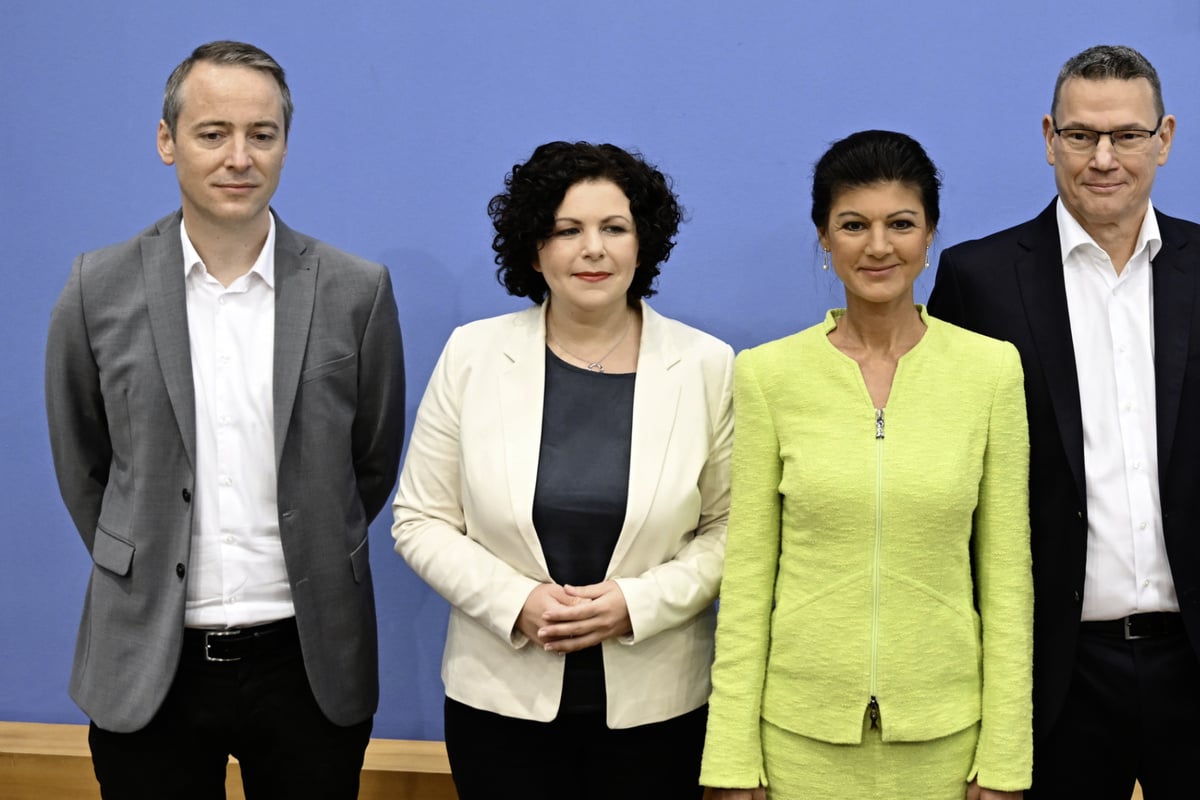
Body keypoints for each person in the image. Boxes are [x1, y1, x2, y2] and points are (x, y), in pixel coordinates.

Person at [44, 40, 404, 799]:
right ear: (167, 141)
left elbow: (370, 463)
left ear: (284, 143)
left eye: (262, 134)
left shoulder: (355, 291)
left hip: (308, 662)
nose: (240, 157)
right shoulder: (96, 287)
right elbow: (84, 468)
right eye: (213, 134)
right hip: (150, 659)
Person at [392, 141, 733, 800]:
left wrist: (634, 605)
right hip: (498, 709)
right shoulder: (473, 356)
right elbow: (420, 519)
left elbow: (731, 529)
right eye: (566, 230)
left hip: (659, 714)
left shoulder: (707, 366)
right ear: (533, 249)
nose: (593, 249)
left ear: (644, 244)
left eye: (614, 228)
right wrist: (517, 603)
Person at [701, 130, 1033, 800]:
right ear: (825, 238)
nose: (878, 246)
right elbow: (745, 582)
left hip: (946, 742)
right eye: (854, 224)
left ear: (931, 233)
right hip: (797, 742)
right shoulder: (768, 375)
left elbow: (1006, 581)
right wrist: (731, 759)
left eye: (900, 224)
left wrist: (1005, 759)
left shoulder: (991, 371)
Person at [929, 44, 1200, 799]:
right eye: (1081, 136)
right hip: (1056, 671)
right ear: (1049, 138)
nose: (1104, 157)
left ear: (1166, 139)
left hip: (1192, 659)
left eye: (1128, 136)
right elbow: (956, 480)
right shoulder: (978, 279)